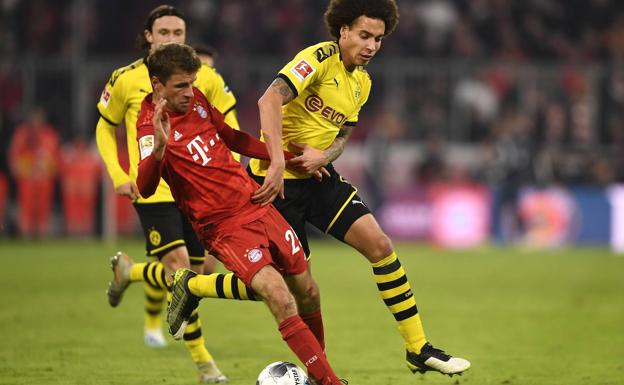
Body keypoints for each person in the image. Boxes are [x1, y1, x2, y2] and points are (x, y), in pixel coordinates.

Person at [248, 0, 470, 376]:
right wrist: (278, 159)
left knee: (381, 246)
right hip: (278, 185)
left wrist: (325, 155)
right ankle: (321, 372)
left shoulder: (361, 83)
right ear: (343, 31)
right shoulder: (318, 58)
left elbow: (341, 138)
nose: (371, 45)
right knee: (305, 292)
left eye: (379, 39)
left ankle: (418, 348)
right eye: (364, 35)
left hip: (318, 178)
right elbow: (269, 98)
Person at [136, 43, 344, 385]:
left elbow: (232, 138)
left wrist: (285, 157)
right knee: (278, 295)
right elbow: (145, 187)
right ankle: (330, 382)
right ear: (157, 85)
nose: (190, 92)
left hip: (256, 200)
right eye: (180, 86)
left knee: (307, 291)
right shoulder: (149, 125)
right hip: (222, 225)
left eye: (191, 83)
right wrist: (159, 148)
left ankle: (195, 286)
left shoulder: (199, 100)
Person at [95, 4, 237, 383]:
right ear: (148, 36)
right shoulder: (125, 79)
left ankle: (132, 271)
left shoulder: (203, 77)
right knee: (179, 271)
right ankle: (205, 365)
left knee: (203, 271)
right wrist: (118, 173)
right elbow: (105, 127)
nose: (171, 39)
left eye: (178, 34)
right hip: (154, 189)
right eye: (164, 33)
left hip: (197, 189)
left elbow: (230, 124)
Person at [8, 107, 59, 238]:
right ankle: (25, 236)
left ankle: (42, 236)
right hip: (27, 179)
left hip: (44, 179)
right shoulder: (22, 133)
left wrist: (46, 170)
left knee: (43, 209)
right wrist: (24, 170)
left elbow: (55, 157)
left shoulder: (49, 134)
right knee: (26, 209)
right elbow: (14, 156)